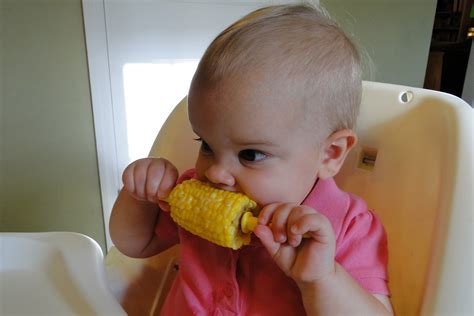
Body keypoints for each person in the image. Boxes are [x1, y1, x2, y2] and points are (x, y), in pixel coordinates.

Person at [110, 3, 393, 315]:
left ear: (330, 153)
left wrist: (322, 279)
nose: (216, 172)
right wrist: (139, 196)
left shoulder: (347, 226)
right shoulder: (192, 185)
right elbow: (135, 244)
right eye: (206, 144)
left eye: (251, 155)